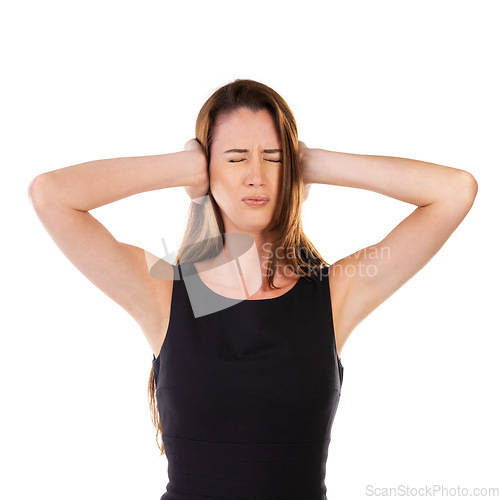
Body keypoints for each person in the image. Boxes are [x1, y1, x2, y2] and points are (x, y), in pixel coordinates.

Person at [28, 78, 478, 500]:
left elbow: (454, 191)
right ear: (208, 168)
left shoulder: (334, 295)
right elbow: (51, 194)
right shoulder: (162, 293)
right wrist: (184, 167)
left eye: (274, 158)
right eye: (236, 158)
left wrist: (312, 163)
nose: (257, 176)